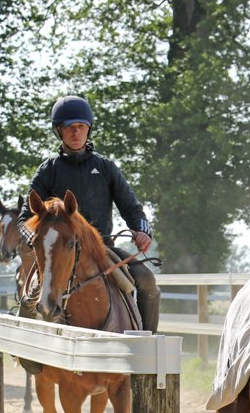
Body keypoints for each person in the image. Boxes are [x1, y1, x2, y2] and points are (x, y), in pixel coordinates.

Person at [16, 94, 160, 339]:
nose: (76, 132)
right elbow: (24, 220)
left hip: (103, 248)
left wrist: (142, 231)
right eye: (70, 127)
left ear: (89, 129)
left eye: (81, 126)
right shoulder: (47, 170)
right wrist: (35, 239)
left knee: (147, 280)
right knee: (29, 300)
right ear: (59, 131)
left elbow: (132, 208)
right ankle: (24, 349)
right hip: (59, 253)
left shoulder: (105, 167)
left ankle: (149, 349)